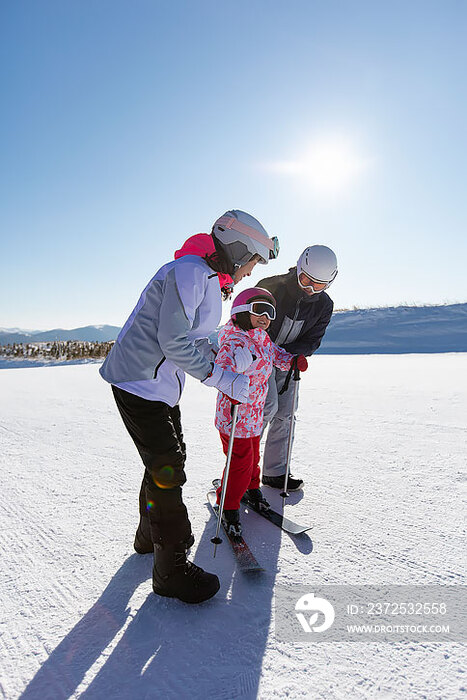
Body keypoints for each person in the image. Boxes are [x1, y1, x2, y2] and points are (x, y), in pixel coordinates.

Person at [99, 210, 279, 604]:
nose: (251, 271)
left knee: (167, 458)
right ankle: (171, 571)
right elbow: (174, 342)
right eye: (253, 261)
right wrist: (221, 377)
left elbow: (194, 339)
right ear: (238, 249)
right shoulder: (191, 272)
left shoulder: (208, 278)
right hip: (138, 381)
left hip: (158, 384)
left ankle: (149, 536)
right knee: (168, 470)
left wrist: (218, 352)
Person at [213, 287, 308, 537]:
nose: (266, 317)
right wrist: (232, 379)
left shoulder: (261, 338)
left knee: (252, 456)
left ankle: (251, 488)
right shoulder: (234, 341)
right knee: (240, 463)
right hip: (234, 416)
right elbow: (219, 372)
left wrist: (291, 361)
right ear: (241, 311)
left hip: (253, 416)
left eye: (270, 312)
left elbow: (275, 354)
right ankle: (228, 504)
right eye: (259, 310)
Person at [258, 245, 338, 491]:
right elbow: (253, 326)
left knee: (286, 414)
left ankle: (275, 472)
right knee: (263, 410)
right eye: (306, 280)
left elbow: (313, 339)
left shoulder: (324, 305)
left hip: (290, 363)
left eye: (319, 285)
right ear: (299, 269)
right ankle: (243, 468)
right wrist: (272, 353)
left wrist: (290, 356)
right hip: (259, 358)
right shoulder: (271, 286)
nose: (310, 288)